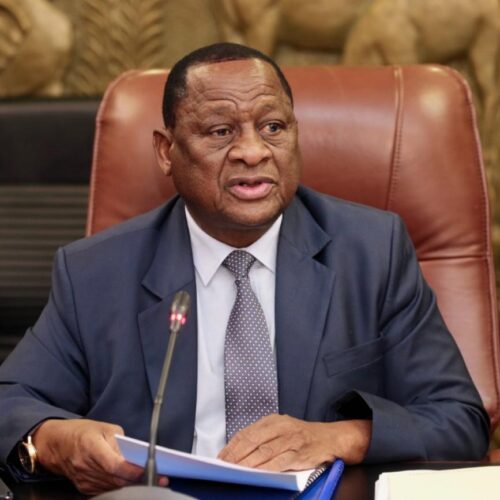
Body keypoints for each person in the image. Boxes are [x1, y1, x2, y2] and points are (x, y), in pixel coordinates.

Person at [0, 43, 490, 495]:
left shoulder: (371, 252)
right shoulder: (96, 272)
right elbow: (11, 401)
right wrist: (54, 441)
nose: (254, 152)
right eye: (221, 132)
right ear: (167, 152)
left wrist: (344, 437)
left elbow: (459, 421)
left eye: (273, 127)